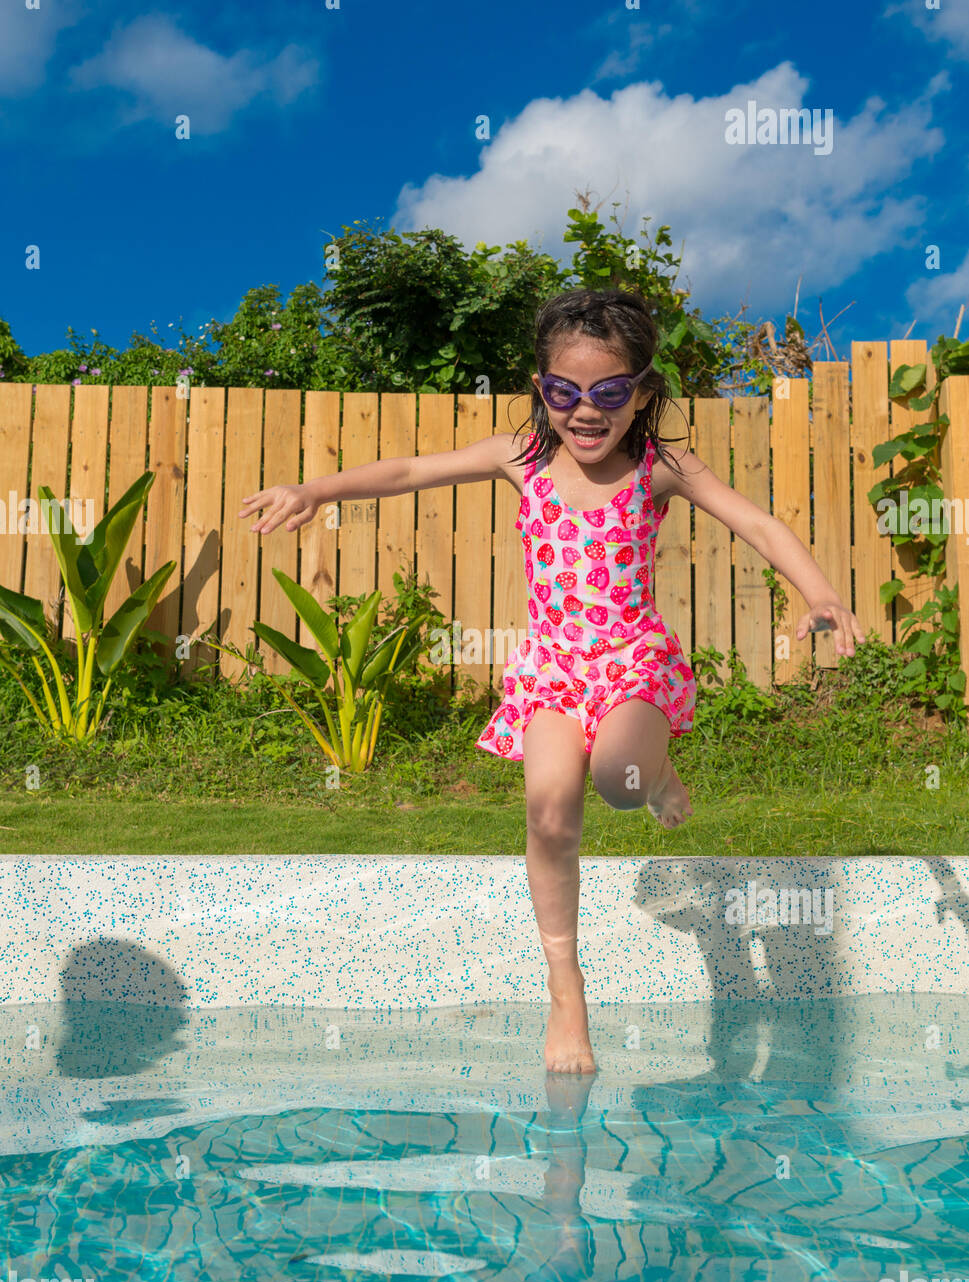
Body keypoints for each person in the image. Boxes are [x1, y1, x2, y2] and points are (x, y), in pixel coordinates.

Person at [238, 287, 865, 1075]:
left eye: (608, 393)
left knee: (616, 780)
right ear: (542, 390)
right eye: (565, 392)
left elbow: (758, 523)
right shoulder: (520, 457)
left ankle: (655, 771)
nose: (586, 412)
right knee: (547, 812)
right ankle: (565, 989)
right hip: (551, 672)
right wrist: (314, 490)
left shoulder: (660, 466)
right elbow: (406, 469)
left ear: (640, 393)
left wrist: (820, 594)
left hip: (632, 661)